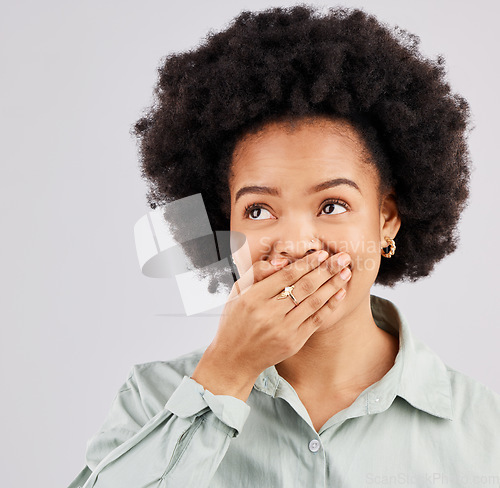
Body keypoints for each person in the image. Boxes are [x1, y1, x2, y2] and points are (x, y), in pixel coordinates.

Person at [68, 5, 500, 488]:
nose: (295, 243)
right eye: (258, 211)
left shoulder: (483, 429)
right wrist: (225, 376)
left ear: (388, 220)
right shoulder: (152, 399)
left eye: (332, 205)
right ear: (223, 225)